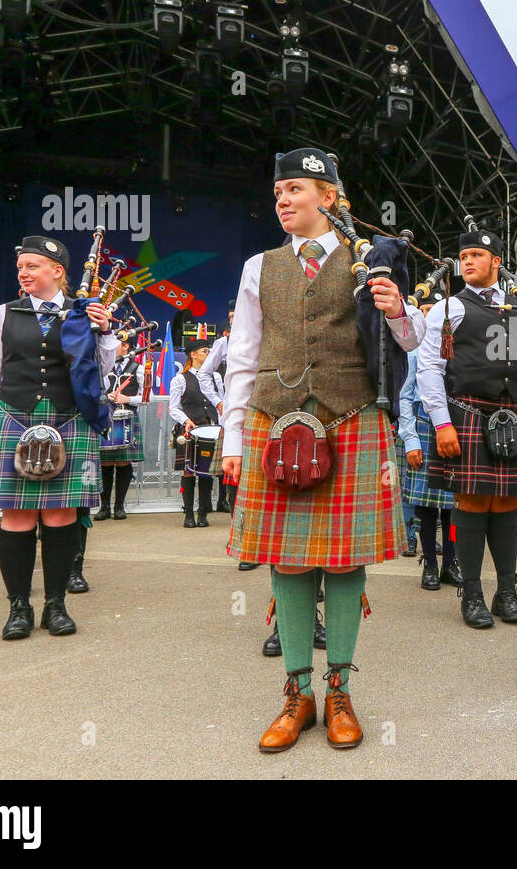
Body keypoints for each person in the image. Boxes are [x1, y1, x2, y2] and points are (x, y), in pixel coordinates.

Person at [222, 147, 424, 752]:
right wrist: (233, 436)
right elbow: (243, 353)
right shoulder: (259, 266)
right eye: (278, 190)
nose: (282, 199)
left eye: (295, 188)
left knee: (342, 560)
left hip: (352, 415)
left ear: (329, 198)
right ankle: (297, 693)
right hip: (274, 420)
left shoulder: (370, 262)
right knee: (287, 559)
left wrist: (397, 311)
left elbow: (408, 342)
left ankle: (339, 688)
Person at [0, 236, 118, 638]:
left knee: (61, 514)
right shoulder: (4, 313)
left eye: (32, 266)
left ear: (57, 271)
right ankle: (19, 607)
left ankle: (55, 605)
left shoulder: (82, 313)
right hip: (14, 416)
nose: (24, 273)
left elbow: (99, 372)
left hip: (70, 418)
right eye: (21, 267)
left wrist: (104, 332)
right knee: (16, 514)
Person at [417, 226, 517, 628]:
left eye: (476, 255)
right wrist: (442, 424)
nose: (468, 262)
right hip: (467, 415)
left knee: (506, 503)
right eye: (464, 256)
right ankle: (471, 594)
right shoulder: (447, 309)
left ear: (496, 262)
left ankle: (506, 592)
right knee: (471, 502)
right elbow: (429, 369)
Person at [397, 321, 460, 590]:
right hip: (423, 426)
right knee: (425, 505)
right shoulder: (416, 351)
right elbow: (404, 396)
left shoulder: (463, 349)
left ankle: (450, 563)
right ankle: (430, 564)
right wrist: (411, 440)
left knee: (454, 506)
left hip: (457, 426)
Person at [169, 339, 220, 528]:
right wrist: (186, 421)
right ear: (194, 355)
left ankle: (203, 513)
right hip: (190, 429)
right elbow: (173, 408)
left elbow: (220, 403)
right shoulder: (180, 378)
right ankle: (188, 513)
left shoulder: (216, 377)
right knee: (189, 470)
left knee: (207, 471)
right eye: (205, 351)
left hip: (211, 429)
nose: (208, 354)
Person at [96, 338, 144, 522]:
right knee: (105, 463)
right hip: (105, 417)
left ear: (125, 346)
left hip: (127, 419)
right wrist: (104, 396)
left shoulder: (137, 367)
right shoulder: (102, 366)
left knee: (123, 462)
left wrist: (128, 399)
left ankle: (119, 505)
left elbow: (149, 396)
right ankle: (104, 506)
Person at [198, 299, 236, 513]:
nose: (232, 321)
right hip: (233, 412)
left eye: (234, 316)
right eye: (229, 318)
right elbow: (204, 373)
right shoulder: (224, 343)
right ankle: (233, 515)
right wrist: (218, 401)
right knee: (232, 467)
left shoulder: (262, 335)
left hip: (261, 406)